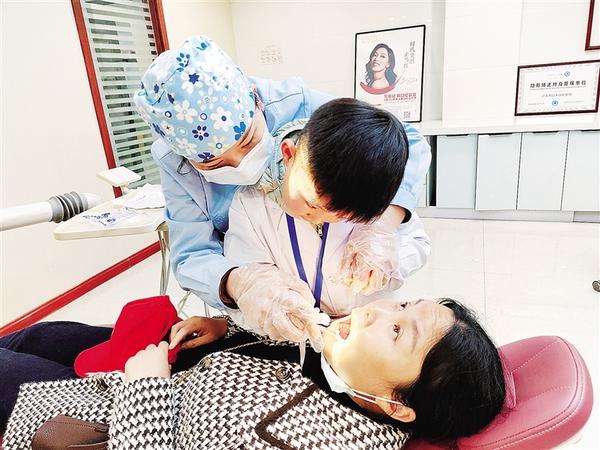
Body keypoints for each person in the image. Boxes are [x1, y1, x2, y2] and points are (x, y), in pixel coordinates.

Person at [136, 36, 432, 326]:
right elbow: (192, 256)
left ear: (257, 101)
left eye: (248, 139)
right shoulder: (245, 204)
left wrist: (381, 226)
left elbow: (399, 142)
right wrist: (242, 284)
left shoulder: (299, 108)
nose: (242, 166)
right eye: (214, 163)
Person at [2, 298, 506, 449]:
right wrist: (226, 329)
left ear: (399, 406)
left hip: (99, 417)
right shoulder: (348, 367)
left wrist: (145, 389)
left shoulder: (312, 442)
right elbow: (282, 361)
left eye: (398, 332)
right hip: (155, 368)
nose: (376, 311)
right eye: (402, 306)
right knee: (42, 335)